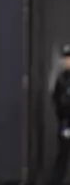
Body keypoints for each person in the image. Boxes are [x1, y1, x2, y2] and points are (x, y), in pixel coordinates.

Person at [48, 44, 70, 185]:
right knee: (62, 156)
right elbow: (57, 101)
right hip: (66, 123)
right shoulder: (61, 79)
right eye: (66, 58)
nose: (67, 61)